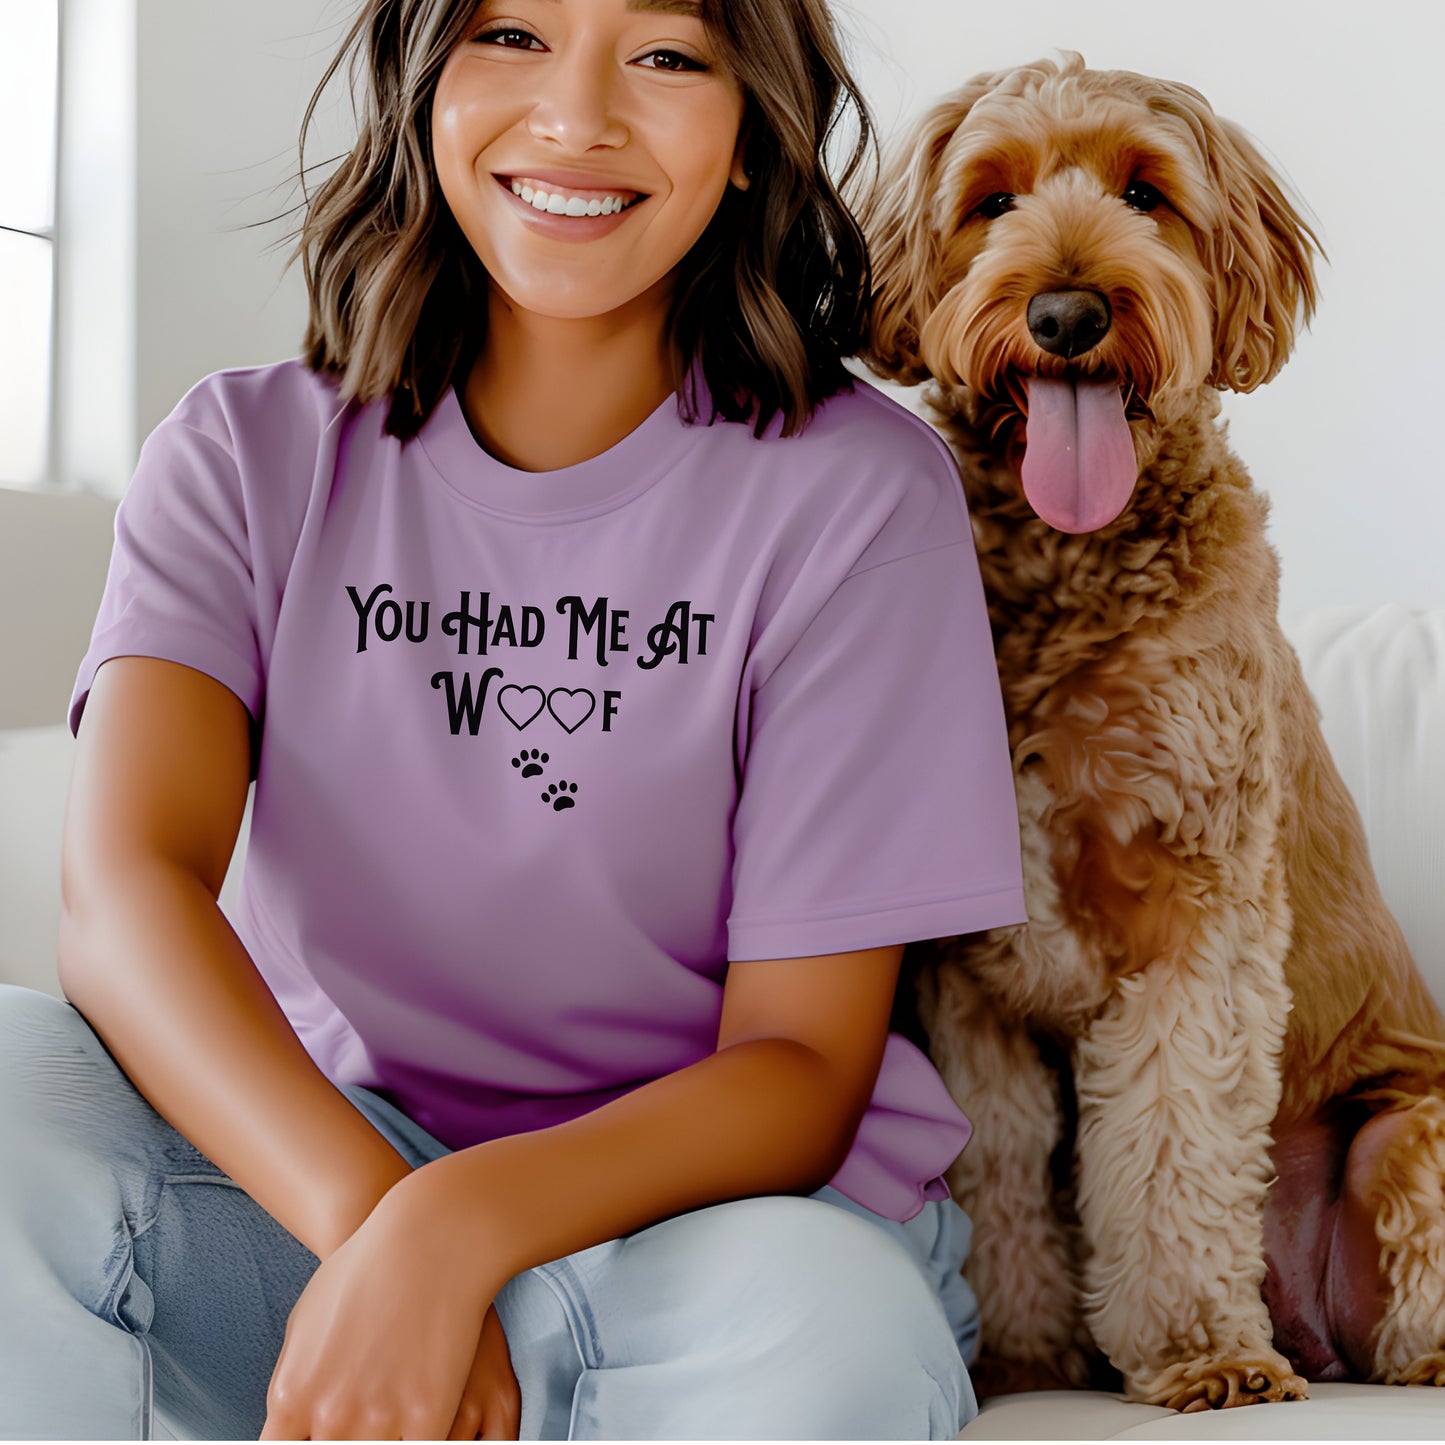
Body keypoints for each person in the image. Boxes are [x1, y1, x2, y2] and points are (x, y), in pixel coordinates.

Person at [0, 0, 1027, 1437]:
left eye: (666, 56)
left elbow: (799, 1068)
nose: (577, 116)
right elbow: (124, 895)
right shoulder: (242, 454)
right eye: (510, 35)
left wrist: (457, 1229)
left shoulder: (859, 494)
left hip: (710, 1237)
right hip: (310, 1193)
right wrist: (380, 1229)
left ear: (751, 130)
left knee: (839, 1332)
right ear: (425, 80)